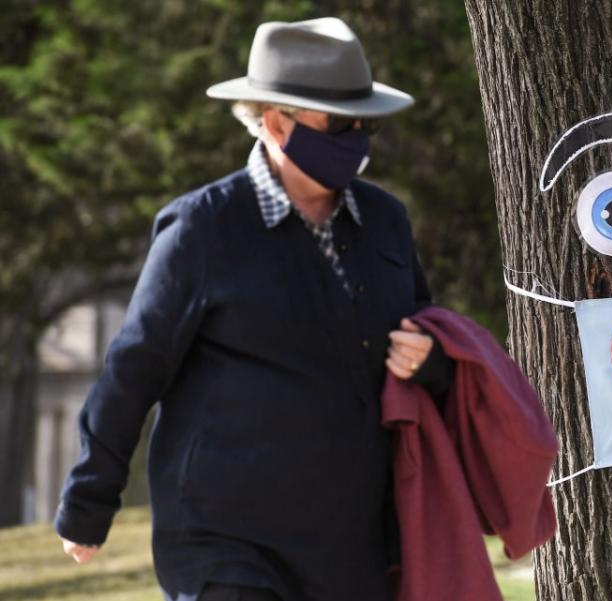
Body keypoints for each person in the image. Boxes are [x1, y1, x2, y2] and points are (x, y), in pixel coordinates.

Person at [54, 17, 452, 601]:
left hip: (350, 542)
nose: (358, 137)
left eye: (365, 122)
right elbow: (135, 366)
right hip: (226, 539)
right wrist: (90, 499)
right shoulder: (203, 228)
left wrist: (433, 361)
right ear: (275, 123)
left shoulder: (385, 222)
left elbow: (424, 333)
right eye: (338, 123)